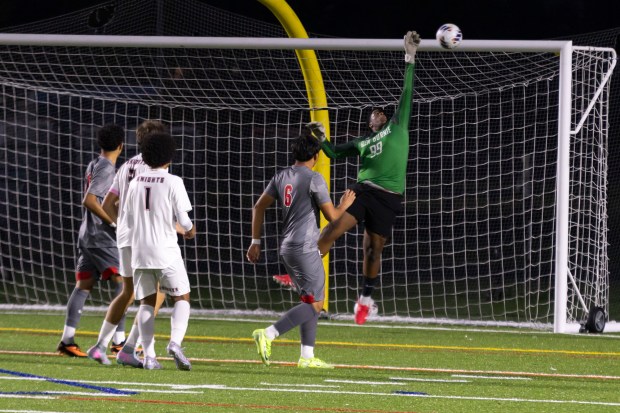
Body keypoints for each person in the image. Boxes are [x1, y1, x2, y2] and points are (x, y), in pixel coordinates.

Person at [305, 31, 420, 325]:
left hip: (389, 197)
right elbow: (331, 152)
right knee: (328, 233)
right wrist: (319, 136)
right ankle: (306, 284)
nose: (378, 113)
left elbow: (406, 92)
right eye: (374, 113)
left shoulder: (398, 125)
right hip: (363, 191)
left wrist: (410, 58)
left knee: (373, 250)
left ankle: (365, 300)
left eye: (382, 111)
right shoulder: (361, 142)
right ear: (369, 124)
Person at [247, 134, 355, 369]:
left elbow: (258, 206)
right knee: (316, 304)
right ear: (316, 156)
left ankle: (307, 356)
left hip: (287, 247)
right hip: (305, 248)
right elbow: (333, 218)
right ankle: (269, 333)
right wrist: (344, 205)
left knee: (309, 300)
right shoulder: (314, 178)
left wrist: (255, 241)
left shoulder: (281, 176)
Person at [87, 120, 168, 367]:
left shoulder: (126, 166)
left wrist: (121, 225)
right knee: (159, 293)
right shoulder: (157, 168)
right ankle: (131, 348)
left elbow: (109, 203)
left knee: (128, 292)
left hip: (125, 237)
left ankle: (100, 346)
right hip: (148, 238)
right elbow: (154, 206)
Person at [122, 131, 196, 370]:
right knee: (181, 297)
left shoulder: (135, 183)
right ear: (169, 158)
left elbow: (130, 219)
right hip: (166, 250)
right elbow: (184, 221)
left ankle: (150, 357)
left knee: (145, 302)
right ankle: (175, 343)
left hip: (139, 252)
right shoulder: (174, 182)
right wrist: (190, 230)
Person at [57, 123, 125, 357]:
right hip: (101, 238)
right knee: (124, 285)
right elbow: (90, 200)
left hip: (87, 236)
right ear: (120, 146)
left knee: (83, 286)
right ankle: (119, 342)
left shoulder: (94, 164)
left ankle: (67, 341)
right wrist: (113, 222)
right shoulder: (107, 168)